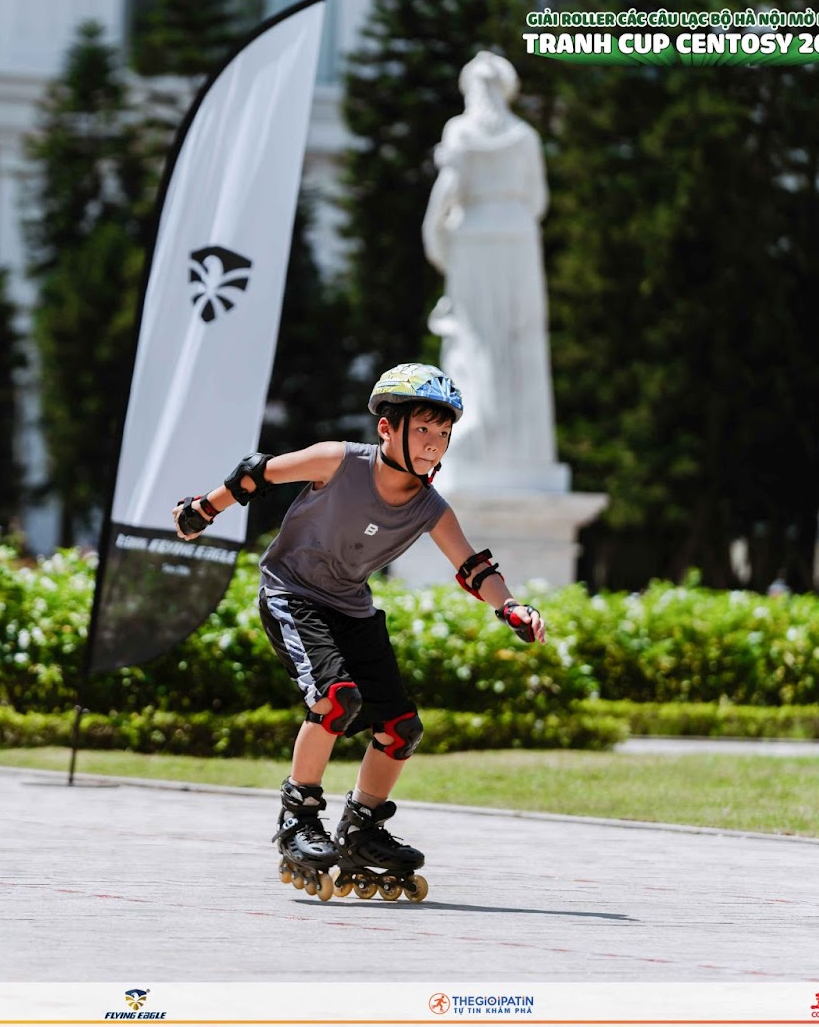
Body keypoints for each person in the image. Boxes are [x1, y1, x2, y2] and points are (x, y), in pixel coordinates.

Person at [169, 363, 547, 901]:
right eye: (423, 430)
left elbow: (473, 567)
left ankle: (362, 827)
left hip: (352, 608)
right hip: (292, 594)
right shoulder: (339, 460)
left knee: (401, 729)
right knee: (334, 699)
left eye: (443, 435)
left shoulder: (430, 507)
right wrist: (202, 508)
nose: (434, 445)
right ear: (387, 428)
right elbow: (255, 473)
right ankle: (298, 817)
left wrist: (510, 607)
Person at [421, 51, 556, 471]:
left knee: (475, 336)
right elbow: (537, 200)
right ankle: (524, 443)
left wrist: (436, 240)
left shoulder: (460, 132)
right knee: (520, 336)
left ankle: (476, 429)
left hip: (474, 238)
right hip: (517, 238)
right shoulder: (526, 136)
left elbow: (447, 192)